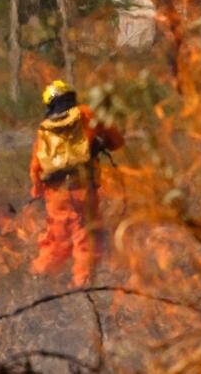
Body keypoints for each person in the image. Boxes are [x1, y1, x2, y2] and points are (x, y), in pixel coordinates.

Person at [29, 80, 124, 287]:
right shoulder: (86, 113)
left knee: (56, 239)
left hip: (55, 195)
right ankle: (83, 287)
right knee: (87, 238)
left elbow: (35, 166)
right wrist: (100, 143)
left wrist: (37, 190)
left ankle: (39, 278)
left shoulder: (45, 128)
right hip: (82, 189)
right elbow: (117, 141)